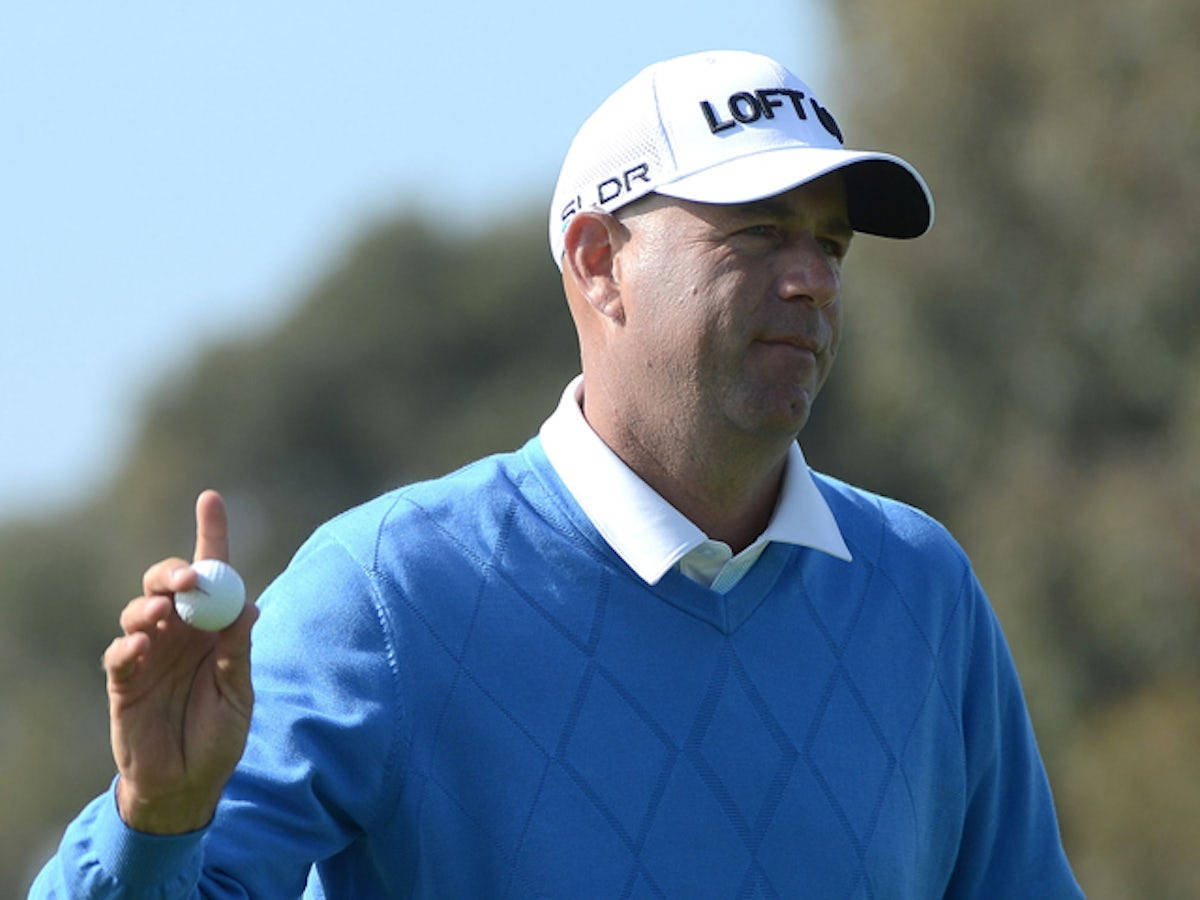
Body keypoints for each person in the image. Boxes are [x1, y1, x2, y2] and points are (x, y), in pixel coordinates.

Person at [32, 50, 1083, 897]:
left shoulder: (919, 587)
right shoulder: (388, 592)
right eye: (758, 235)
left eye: (831, 245)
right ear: (596, 261)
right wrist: (156, 824)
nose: (810, 279)